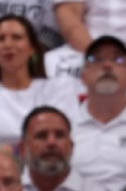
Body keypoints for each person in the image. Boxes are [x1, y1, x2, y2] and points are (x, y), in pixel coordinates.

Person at [65, 35, 126, 191]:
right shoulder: (65, 128)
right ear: (83, 77)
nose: (107, 65)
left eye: (118, 59)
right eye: (96, 59)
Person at [0, 17, 74, 146]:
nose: (8, 45)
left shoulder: (58, 89)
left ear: (32, 48)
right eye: (1, 39)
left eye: (17, 37)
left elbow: (63, 137)